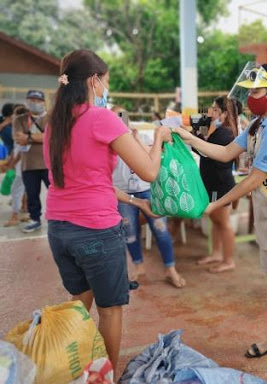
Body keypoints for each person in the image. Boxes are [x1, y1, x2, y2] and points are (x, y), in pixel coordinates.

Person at [174, 64, 267, 384]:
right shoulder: (259, 124)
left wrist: (214, 204)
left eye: (255, 92)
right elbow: (226, 151)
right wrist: (187, 135)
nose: (250, 97)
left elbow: (256, 178)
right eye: (249, 91)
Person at [44, 49, 171, 374]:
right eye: (105, 82)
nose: (105, 89)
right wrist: (158, 139)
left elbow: (87, 182)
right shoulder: (101, 118)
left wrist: (136, 202)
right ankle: (105, 377)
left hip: (59, 229)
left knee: (79, 301)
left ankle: (73, 368)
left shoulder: (54, 124)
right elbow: (149, 172)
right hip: (96, 230)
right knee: (110, 309)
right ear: (93, 80)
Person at [111, 106, 185, 287]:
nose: (119, 120)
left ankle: (170, 268)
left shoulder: (141, 137)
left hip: (147, 189)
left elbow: (156, 157)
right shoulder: (108, 142)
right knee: (129, 232)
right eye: (114, 117)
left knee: (161, 229)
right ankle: (139, 266)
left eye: (121, 116)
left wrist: (137, 140)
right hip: (123, 192)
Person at [195, 96, 237, 273]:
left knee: (223, 221)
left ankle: (228, 260)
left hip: (221, 184)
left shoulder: (225, 133)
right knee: (215, 219)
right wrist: (200, 127)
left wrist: (194, 136)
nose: (211, 113)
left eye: (215, 110)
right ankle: (216, 253)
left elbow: (203, 149)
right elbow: (202, 142)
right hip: (212, 182)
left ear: (225, 114)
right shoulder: (216, 130)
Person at [13, 90, 49, 233]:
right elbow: (18, 138)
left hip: (49, 164)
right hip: (28, 165)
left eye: (37, 100)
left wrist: (28, 137)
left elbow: (53, 138)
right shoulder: (20, 119)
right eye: (31, 100)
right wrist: (42, 137)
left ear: (43, 102)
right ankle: (35, 220)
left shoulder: (51, 118)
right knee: (32, 195)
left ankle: (60, 219)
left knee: (56, 193)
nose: (34, 103)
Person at [2, 105, 28, 227]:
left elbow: (22, 151)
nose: (12, 118)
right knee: (23, 190)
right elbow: (16, 150)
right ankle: (26, 210)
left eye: (14, 115)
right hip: (21, 166)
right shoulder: (17, 128)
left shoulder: (22, 130)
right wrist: (10, 161)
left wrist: (11, 165)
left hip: (24, 166)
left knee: (16, 190)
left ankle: (15, 216)